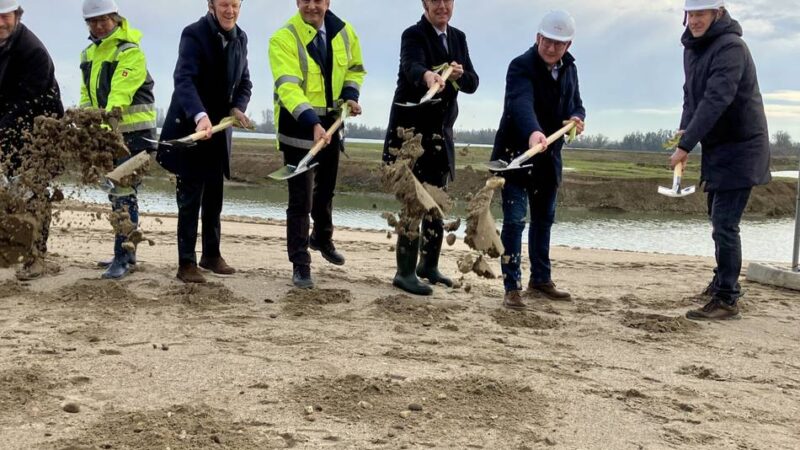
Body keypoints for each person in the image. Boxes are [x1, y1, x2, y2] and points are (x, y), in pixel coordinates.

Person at [671, 0, 770, 320]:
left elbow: (717, 99)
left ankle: (727, 299)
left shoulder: (731, 48)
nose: (695, 21)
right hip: (719, 148)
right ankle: (721, 282)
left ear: (719, 14)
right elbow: (691, 96)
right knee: (717, 217)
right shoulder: (693, 49)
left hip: (742, 147)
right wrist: (684, 128)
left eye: (702, 14)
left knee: (726, 224)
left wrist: (686, 145)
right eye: (691, 15)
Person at [382, 0, 478, 296]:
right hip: (411, 134)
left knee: (436, 201)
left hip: (441, 135)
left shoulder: (458, 38)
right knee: (415, 201)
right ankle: (405, 272)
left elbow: (473, 83)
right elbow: (413, 67)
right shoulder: (413, 35)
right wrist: (428, 76)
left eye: (447, 0)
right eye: (434, 0)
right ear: (424, 4)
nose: (441, 6)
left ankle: (429, 266)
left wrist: (460, 77)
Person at [491, 10, 585, 310]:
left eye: (559, 43)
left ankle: (541, 280)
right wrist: (533, 133)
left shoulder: (570, 70)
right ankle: (512, 287)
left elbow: (578, 105)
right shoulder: (520, 66)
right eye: (547, 41)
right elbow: (520, 103)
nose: (551, 48)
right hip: (517, 157)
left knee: (543, 221)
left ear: (567, 45)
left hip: (549, 160)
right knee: (515, 221)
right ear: (538, 37)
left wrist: (576, 118)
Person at [269, 0, 366, 289]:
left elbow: (355, 69)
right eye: (305, 0)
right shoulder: (283, 37)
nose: (312, 5)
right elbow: (288, 87)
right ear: (297, 2)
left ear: (328, 2)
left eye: (318, 0)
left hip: (332, 125)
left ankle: (321, 238)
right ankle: (300, 263)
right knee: (301, 200)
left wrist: (350, 95)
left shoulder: (345, 32)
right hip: (298, 127)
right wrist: (312, 122)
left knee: (325, 191)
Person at [156, 0, 252, 284]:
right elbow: (183, 80)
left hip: (219, 131)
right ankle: (186, 262)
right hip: (192, 128)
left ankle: (211, 254)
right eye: (224, 4)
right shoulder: (193, 34)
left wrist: (238, 107)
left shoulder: (241, 38)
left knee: (214, 197)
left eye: (235, 5)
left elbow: (245, 82)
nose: (230, 11)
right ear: (210, 5)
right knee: (190, 200)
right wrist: (199, 115)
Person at [79, 0, 157, 279]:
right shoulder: (89, 54)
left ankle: (123, 258)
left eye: (104, 20)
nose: (99, 26)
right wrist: (86, 122)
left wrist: (103, 124)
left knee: (124, 194)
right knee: (116, 196)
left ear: (115, 18)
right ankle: (126, 252)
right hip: (110, 135)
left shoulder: (130, 52)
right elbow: (87, 96)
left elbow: (119, 97)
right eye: (93, 21)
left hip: (135, 138)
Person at [0, 0, 64, 280]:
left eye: (5, 16)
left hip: (40, 129)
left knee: (32, 191)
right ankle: (12, 248)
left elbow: (24, 105)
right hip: (7, 124)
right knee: (9, 190)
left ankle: (37, 256)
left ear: (17, 16)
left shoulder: (33, 52)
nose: (0, 23)